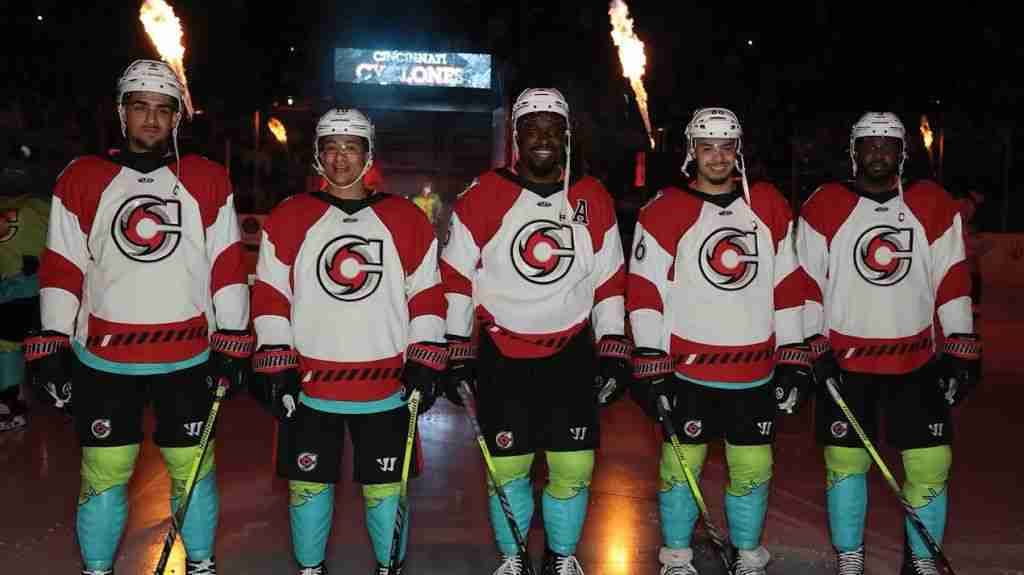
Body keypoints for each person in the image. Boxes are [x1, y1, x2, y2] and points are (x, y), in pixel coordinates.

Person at [24, 59, 252, 575]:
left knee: (192, 469)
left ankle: (200, 564)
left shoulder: (208, 178)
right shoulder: (81, 176)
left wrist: (234, 339)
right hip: (104, 360)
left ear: (178, 118)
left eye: (163, 110)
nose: (151, 119)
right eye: (140, 107)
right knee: (104, 472)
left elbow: (227, 264)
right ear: (121, 112)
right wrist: (52, 344)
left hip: (188, 357)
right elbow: (63, 264)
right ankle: (98, 568)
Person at [439, 87, 630, 575]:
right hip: (503, 355)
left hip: (572, 354)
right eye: (532, 127)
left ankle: (562, 558)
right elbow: (457, 275)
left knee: (573, 467)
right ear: (516, 136)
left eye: (552, 128)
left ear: (566, 136)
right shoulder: (482, 194)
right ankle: (513, 558)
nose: (542, 137)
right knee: (508, 468)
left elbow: (608, 277)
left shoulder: (593, 195)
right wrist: (457, 347)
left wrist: (612, 346)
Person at [250, 108, 447, 575]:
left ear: (368, 154)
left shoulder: (404, 217)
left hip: (386, 390)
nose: (340, 158)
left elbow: (427, 293)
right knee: (308, 487)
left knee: (385, 492)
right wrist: (276, 361)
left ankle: (388, 568)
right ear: (318, 156)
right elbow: (271, 292)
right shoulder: (290, 214)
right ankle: (311, 570)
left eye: (351, 147)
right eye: (330, 148)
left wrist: (425, 357)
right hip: (312, 389)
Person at [626, 107, 811, 575]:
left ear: (738, 151)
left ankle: (747, 553)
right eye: (707, 147)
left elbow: (788, 285)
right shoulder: (665, 208)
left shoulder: (767, 204)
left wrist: (794, 357)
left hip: (754, 372)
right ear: (692, 151)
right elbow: (645, 290)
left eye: (725, 147)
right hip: (689, 372)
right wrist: (650, 358)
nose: (716, 156)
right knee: (679, 468)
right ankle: (676, 557)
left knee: (752, 467)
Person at [797, 112, 981, 575]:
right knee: (844, 463)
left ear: (903, 152)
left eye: (888, 144)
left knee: (931, 465)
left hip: (916, 364)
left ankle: (922, 561)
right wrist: (811, 343)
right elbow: (804, 282)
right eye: (869, 143)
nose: (878, 151)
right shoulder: (824, 204)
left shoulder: (932, 203)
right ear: (853, 151)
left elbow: (952, 277)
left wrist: (960, 344)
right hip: (845, 364)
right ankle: (850, 557)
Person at [0, 142, 49, 431]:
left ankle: (9, 402)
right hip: (41, 292)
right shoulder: (42, 206)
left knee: (7, 348)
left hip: (7, 295)